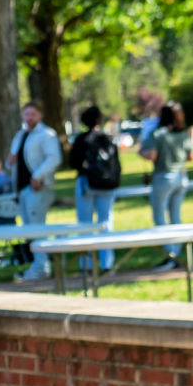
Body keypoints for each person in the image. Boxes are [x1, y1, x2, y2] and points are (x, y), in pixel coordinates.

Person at [7, 102, 61, 281]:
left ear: (40, 115)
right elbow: (14, 161)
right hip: (22, 189)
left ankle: (41, 266)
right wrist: (10, 161)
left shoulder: (46, 134)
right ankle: (37, 264)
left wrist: (39, 176)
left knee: (37, 227)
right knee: (30, 229)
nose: (29, 118)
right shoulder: (21, 135)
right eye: (27, 114)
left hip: (38, 188)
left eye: (33, 114)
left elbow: (54, 158)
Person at [139, 101, 193, 271]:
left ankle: (170, 255)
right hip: (181, 176)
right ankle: (176, 253)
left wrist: (141, 151)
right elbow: (191, 156)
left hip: (163, 177)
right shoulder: (183, 134)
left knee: (159, 217)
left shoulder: (158, 134)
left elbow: (151, 155)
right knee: (176, 216)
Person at [67, 105, 120, 273]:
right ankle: (107, 263)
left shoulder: (81, 140)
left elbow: (73, 162)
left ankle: (87, 264)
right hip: (107, 185)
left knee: (85, 224)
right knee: (106, 222)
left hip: (86, 184)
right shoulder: (108, 138)